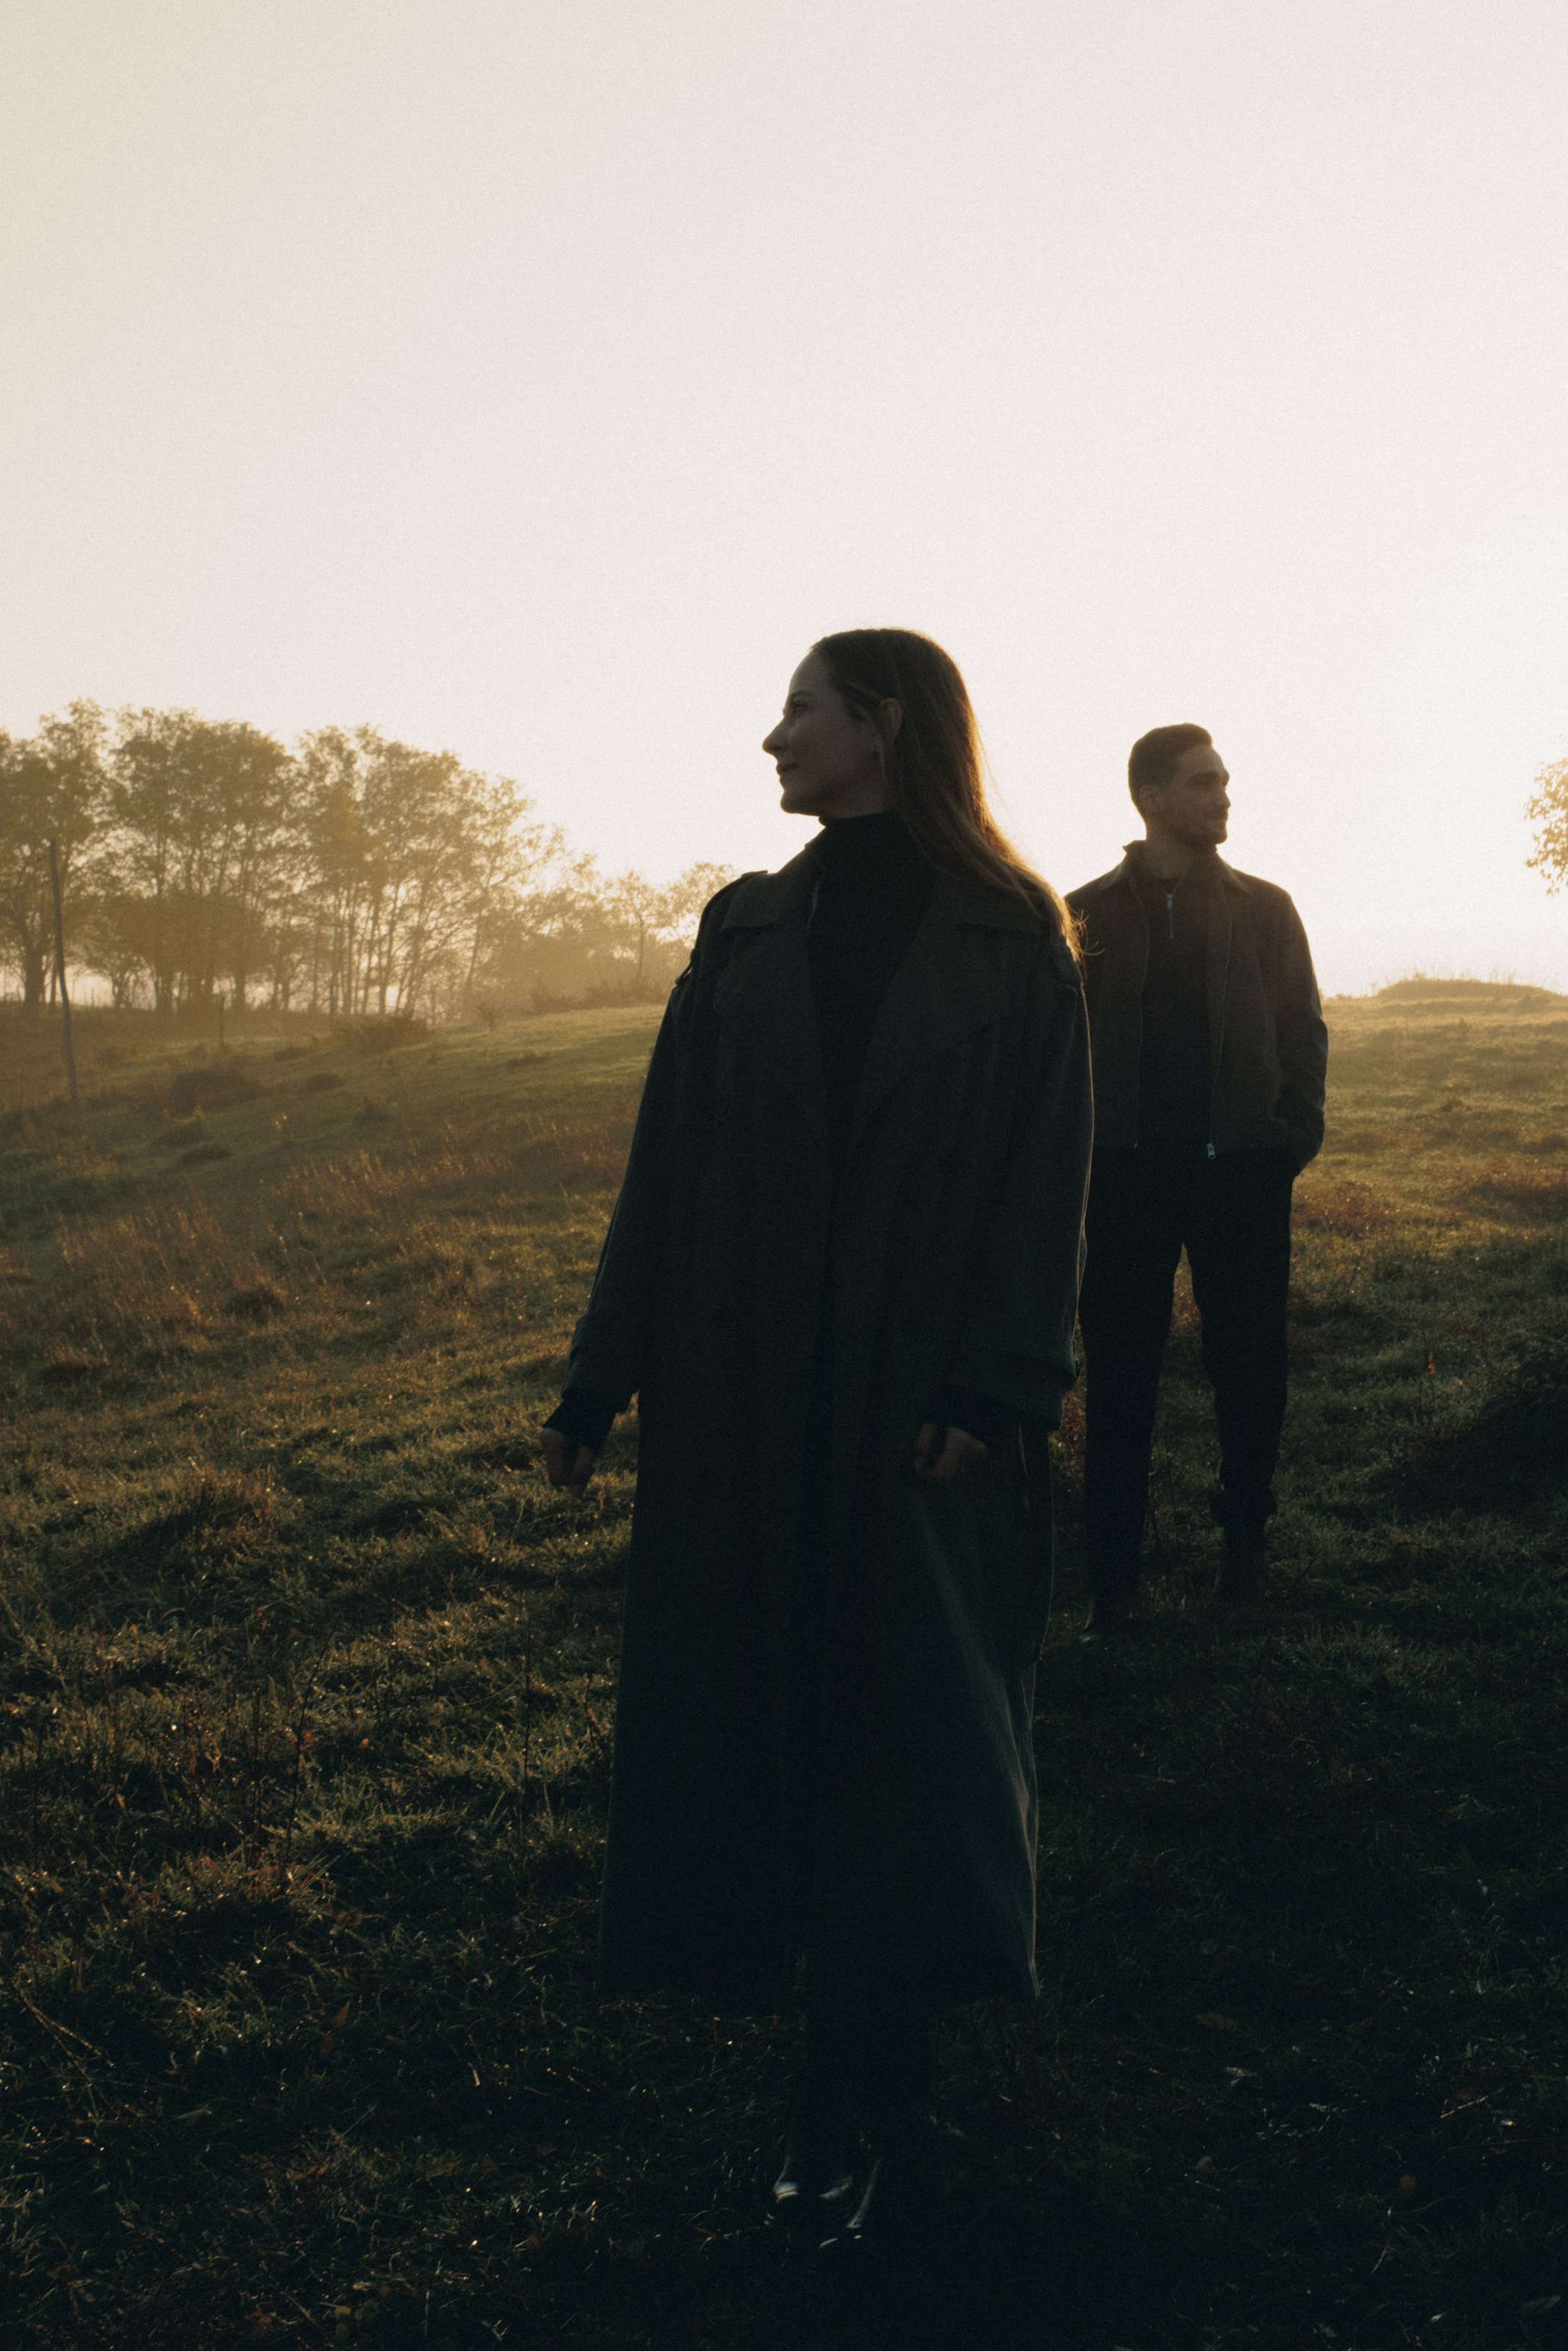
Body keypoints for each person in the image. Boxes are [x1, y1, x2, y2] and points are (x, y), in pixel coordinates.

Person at [539, 629, 1092, 2255]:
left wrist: (994, 1388)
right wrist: (599, 1378)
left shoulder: (1012, 936)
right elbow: (669, 1162)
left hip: (923, 1420)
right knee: (761, 1729)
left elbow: (1040, 1183)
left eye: (800, 709)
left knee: (902, 1748)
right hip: (742, 1396)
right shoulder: (746, 924)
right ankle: (813, 2075)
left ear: (885, 723)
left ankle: (868, 2096)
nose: (769, 738)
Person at [1067, 723, 1325, 1631]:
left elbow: (1302, 1029)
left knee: (1249, 1365)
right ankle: (1112, 1583)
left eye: (1223, 781)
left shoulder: (1265, 907)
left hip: (1242, 1174)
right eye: (1202, 783)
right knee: (1121, 1373)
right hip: (1123, 1177)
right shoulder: (1083, 911)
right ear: (1149, 797)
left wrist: (1291, 1136)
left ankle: (1244, 1543)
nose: (1222, 797)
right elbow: (1055, 1050)